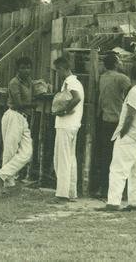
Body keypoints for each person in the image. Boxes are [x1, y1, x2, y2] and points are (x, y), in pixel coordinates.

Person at [98, 63, 136, 212]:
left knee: (118, 170)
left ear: (131, 77)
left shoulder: (134, 92)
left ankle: (113, 202)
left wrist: (123, 132)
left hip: (129, 136)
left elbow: (130, 114)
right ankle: (135, 202)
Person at [0, 57, 42, 188]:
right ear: (17, 69)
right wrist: (33, 105)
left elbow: (34, 93)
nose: (26, 70)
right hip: (13, 115)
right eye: (23, 68)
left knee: (27, 152)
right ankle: (8, 183)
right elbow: (19, 103)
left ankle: (2, 174)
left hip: (23, 118)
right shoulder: (14, 82)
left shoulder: (29, 82)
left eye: (28, 68)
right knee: (10, 150)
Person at [94, 53, 130, 195]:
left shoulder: (102, 78)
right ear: (116, 64)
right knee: (120, 156)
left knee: (105, 155)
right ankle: (119, 189)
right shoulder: (121, 78)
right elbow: (132, 93)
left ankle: (104, 187)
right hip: (118, 121)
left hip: (105, 119)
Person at [51, 55, 84, 202]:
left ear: (63, 69)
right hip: (71, 124)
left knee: (62, 158)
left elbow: (76, 98)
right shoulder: (71, 82)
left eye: (57, 70)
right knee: (70, 158)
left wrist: (64, 111)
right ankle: (70, 192)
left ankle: (62, 193)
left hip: (66, 124)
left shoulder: (71, 82)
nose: (57, 73)